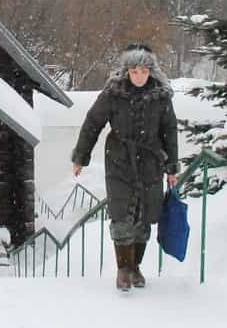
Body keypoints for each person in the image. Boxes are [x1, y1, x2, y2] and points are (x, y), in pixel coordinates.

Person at [71, 43, 179, 292]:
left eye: (143, 71)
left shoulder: (161, 97)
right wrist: (80, 157)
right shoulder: (113, 93)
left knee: (144, 219)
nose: (139, 76)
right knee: (121, 217)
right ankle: (122, 269)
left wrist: (171, 168)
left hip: (151, 163)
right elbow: (92, 123)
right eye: (134, 71)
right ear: (127, 71)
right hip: (119, 160)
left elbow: (169, 132)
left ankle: (135, 267)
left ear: (151, 71)